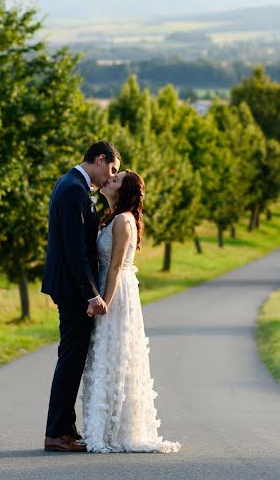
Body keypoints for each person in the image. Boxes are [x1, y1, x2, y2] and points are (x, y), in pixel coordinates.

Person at [81, 170, 181, 453]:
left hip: (117, 294)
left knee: (116, 355)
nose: (108, 180)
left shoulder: (124, 221)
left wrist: (104, 303)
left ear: (123, 191)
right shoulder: (112, 217)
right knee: (106, 356)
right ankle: (103, 427)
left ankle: (116, 430)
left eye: (116, 179)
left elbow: (114, 267)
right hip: (107, 287)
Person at [42, 141, 120, 453]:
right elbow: (75, 250)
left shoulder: (71, 184)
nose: (109, 177)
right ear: (100, 159)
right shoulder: (74, 189)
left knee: (72, 357)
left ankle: (64, 428)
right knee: (71, 359)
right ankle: (58, 432)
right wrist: (90, 295)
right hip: (73, 290)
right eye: (111, 169)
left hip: (69, 287)